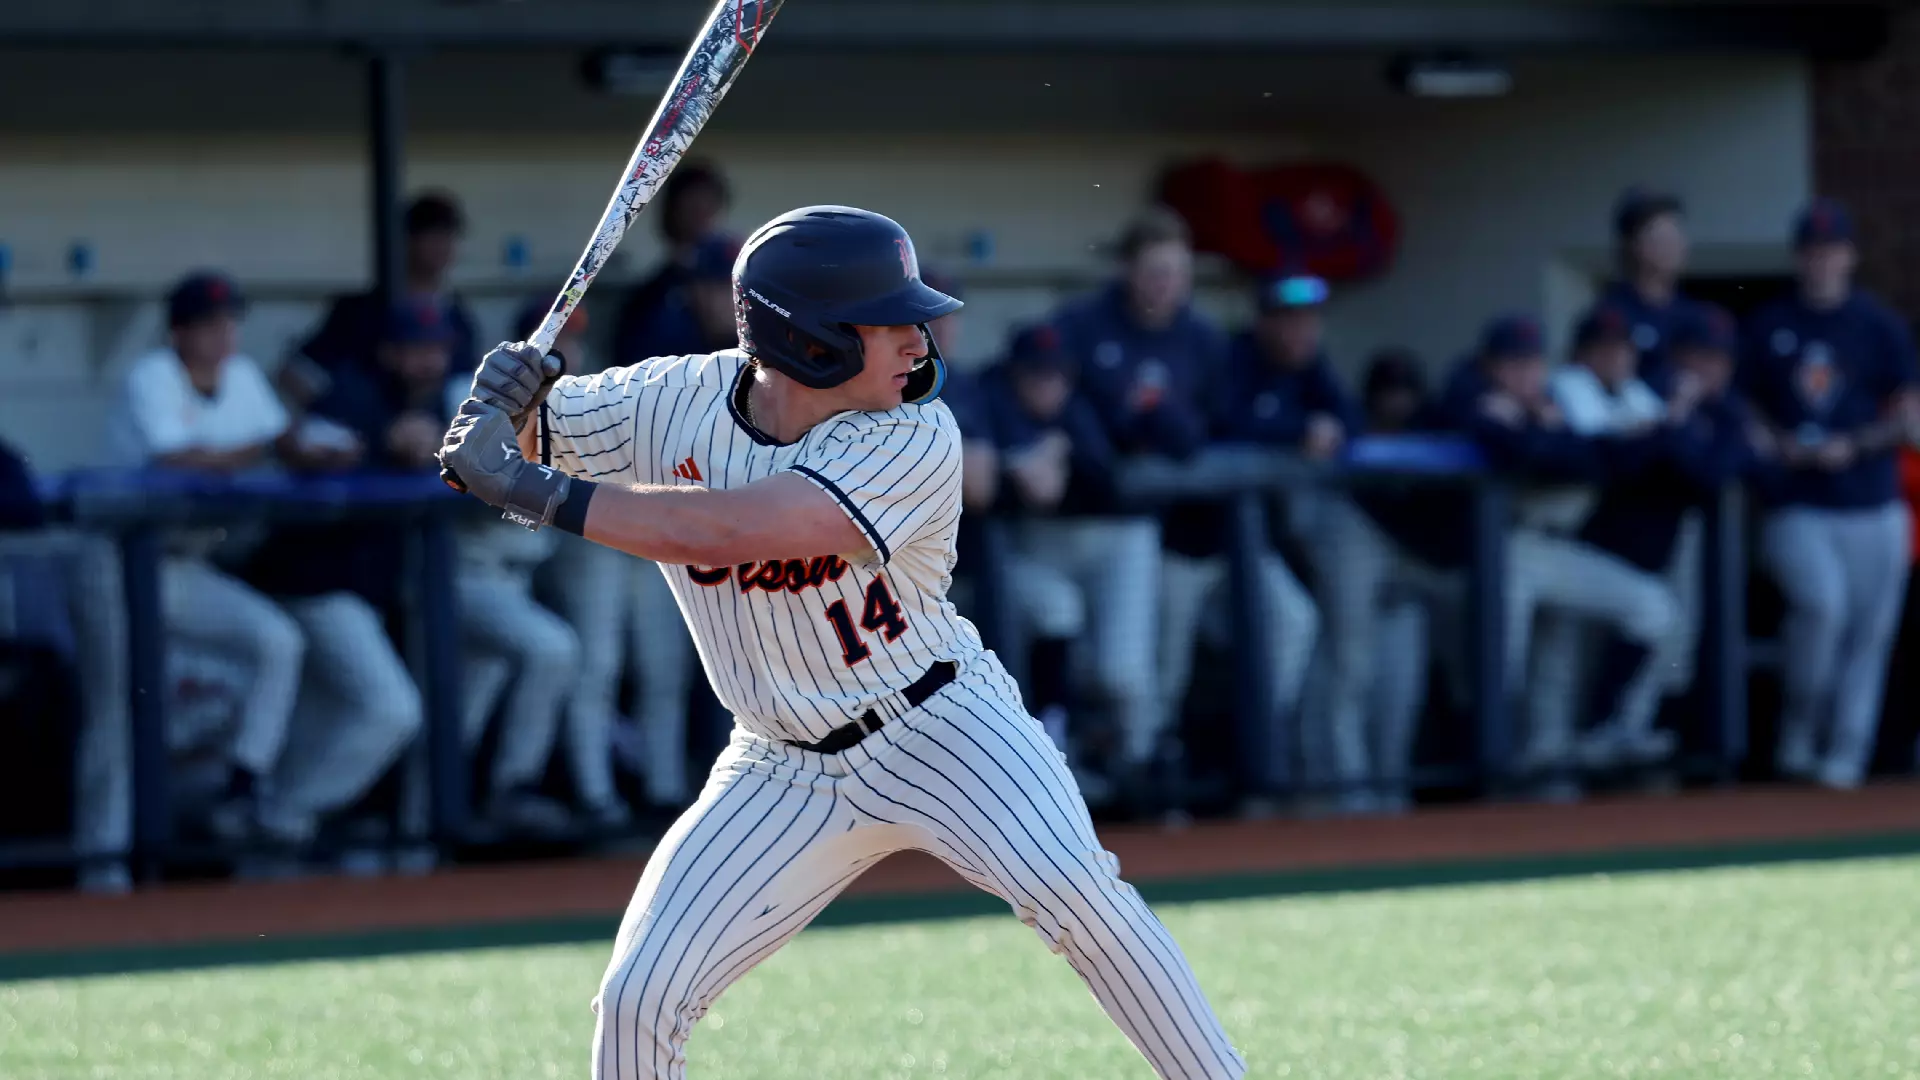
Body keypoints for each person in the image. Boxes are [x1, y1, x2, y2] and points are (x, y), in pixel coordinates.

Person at [437, 205, 1246, 1080]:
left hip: (941, 725)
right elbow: (509, 440)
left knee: (1082, 901)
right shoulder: (672, 398)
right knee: (640, 999)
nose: (919, 338)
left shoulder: (914, 433)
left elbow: (726, 529)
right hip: (779, 763)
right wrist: (497, 404)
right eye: (891, 320)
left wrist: (532, 491)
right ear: (811, 341)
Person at [106, 271, 310, 849]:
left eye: (230, 322)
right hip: (121, 568)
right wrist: (265, 448)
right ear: (178, 331)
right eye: (208, 324)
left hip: (186, 566)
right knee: (120, 718)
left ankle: (244, 785)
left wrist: (307, 443)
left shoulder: (241, 377)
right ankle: (111, 864)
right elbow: (177, 459)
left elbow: (285, 441)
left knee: (277, 641)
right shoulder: (151, 377)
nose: (223, 335)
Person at [1454, 314, 1678, 791]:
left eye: (1532, 363)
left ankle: (1584, 747)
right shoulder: (1482, 399)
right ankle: (1489, 785)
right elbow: (1533, 452)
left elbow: (1593, 456)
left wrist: (1547, 433)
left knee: (1649, 608)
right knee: (1502, 669)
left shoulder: (1560, 400)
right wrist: (1548, 437)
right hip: (1509, 547)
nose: (1525, 375)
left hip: (1562, 547)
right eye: (1513, 364)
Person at [1740, 198, 1920, 789]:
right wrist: (1777, 442)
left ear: (1850, 256)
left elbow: (1909, 415)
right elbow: (1742, 406)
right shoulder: (1769, 324)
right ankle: (1798, 737)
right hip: (1798, 502)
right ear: (1798, 258)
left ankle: (1845, 758)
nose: (1822, 262)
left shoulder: (1878, 326)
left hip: (1871, 499)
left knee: (1869, 635)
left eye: (1832, 251)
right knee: (1820, 609)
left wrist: (1857, 442)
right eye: (1812, 252)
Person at [1050, 206, 1221, 784]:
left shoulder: (1200, 338)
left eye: (1176, 272)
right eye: (1154, 271)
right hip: (1057, 522)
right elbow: (1054, 405)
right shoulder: (1081, 324)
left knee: (1125, 674)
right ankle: (1074, 772)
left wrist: (1158, 419)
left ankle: (1129, 780)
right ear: (1127, 269)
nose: (1165, 285)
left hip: (1134, 526)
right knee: (1055, 640)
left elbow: (1206, 432)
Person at [523, 296, 693, 824]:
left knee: (664, 666)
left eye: (575, 334)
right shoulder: (514, 396)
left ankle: (665, 790)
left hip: (645, 531)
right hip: (588, 539)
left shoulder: (603, 384)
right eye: (559, 334)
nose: (569, 343)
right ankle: (597, 796)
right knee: (597, 665)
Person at [1175, 273, 1330, 801]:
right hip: (1181, 548)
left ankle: (1263, 748)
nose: (1301, 332)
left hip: (1243, 552)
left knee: (1295, 621)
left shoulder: (1309, 368)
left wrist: (1325, 427)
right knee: (1154, 675)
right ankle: (1144, 791)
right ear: (1264, 321)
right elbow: (1226, 424)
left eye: (1308, 321)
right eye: (1289, 320)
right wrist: (1295, 431)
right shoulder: (1230, 359)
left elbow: (1346, 415)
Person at [0, 437, 131, 892]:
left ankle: (103, 868)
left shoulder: (7, 461)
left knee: (108, 709)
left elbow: (22, 504)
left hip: (43, 624)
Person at [294, 191, 481, 381]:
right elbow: (296, 376)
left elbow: (465, 385)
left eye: (449, 234)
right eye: (431, 233)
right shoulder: (359, 313)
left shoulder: (458, 317)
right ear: (405, 240)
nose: (442, 244)